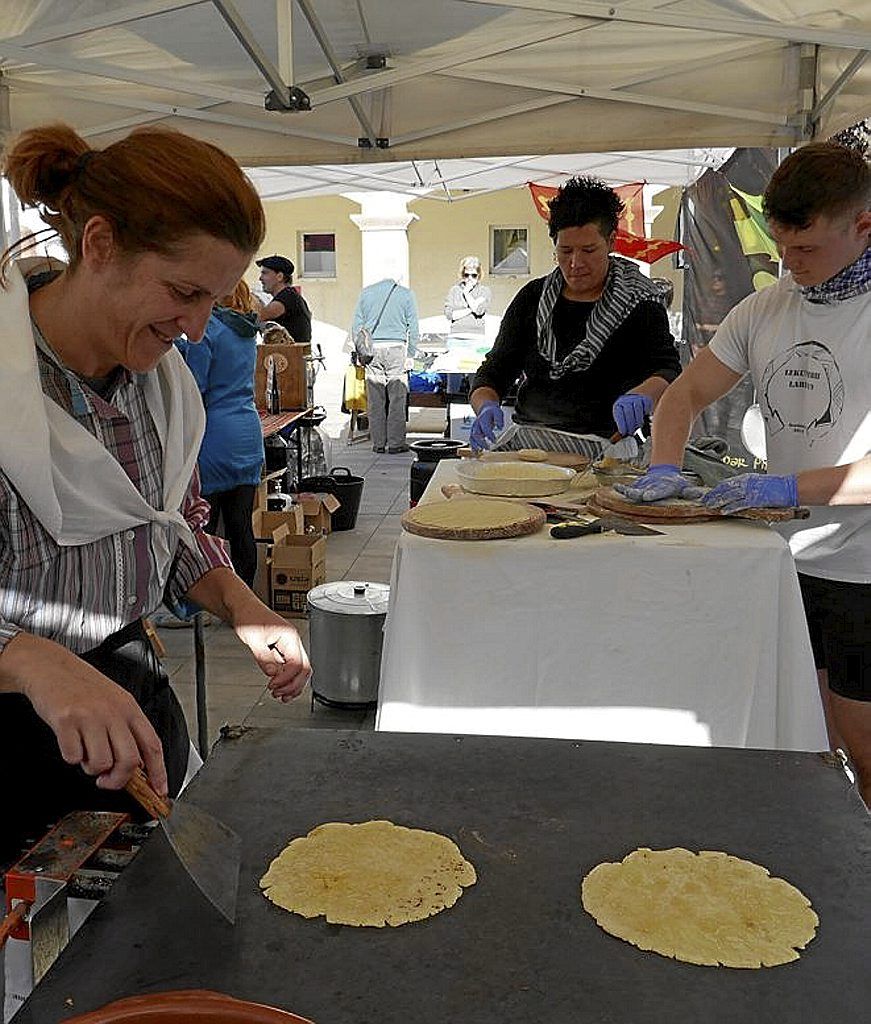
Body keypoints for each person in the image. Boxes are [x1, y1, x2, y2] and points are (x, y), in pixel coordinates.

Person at [0, 123, 311, 864]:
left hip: (128, 704)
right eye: (183, 292)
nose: (198, 328)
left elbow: (171, 525)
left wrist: (242, 602)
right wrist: (30, 659)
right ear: (101, 243)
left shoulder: (159, 388)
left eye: (216, 297)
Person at [617, 142, 871, 803]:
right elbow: (683, 396)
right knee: (809, 736)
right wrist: (663, 465)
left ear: (862, 227)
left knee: (864, 740)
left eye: (807, 250)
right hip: (786, 559)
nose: (789, 264)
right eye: (781, 247)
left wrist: (786, 487)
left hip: (863, 569)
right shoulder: (768, 306)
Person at [468, 176, 681, 455]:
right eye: (565, 250)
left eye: (588, 250)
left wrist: (643, 395)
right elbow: (494, 371)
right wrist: (485, 405)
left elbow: (666, 369)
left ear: (611, 242)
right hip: (530, 445)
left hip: (608, 447)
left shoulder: (640, 302)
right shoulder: (532, 298)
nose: (575, 263)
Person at [176, 279, 264, 589]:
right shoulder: (246, 332)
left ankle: (209, 601)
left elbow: (195, 386)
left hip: (215, 434)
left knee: (207, 527)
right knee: (241, 525)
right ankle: (246, 599)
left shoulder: (209, 330)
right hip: (248, 431)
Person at [351, 277, 419, 454]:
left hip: (373, 350)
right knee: (397, 398)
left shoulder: (366, 293)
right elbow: (414, 327)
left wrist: (360, 352)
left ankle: (378, 443)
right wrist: (411, 353)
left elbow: (357, 326)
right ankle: (396, 443)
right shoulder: (406, 294)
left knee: (375, 399)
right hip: (397, 349)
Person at [256, 254, 312, 344]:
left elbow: (259, 316)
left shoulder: (286, 297)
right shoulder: (290, 295)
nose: (260, 278)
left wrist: (245, 298)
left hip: (290, 355)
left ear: (279, 277)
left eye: (265, 273)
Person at [444, 255, 491, 334]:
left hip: (476, 335)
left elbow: (479, 311)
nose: (470, 278)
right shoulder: (455, 290)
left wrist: (466, 293)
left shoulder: (484, 291)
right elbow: (450, 315)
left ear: (479, 275)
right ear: (462, 275)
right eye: (466, 275)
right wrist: (471, 309)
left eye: (474, 275)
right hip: (456, 334)